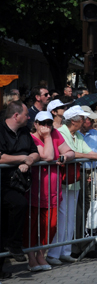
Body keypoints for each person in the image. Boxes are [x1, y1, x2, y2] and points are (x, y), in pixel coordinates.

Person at [47, 106, 97, 264]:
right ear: (74, 120)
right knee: (62, 217)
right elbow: (73, 153)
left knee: (70, 217)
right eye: (82, 118)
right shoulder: (61, 132)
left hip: (74, 180)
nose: (85, 121)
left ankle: (65, 251)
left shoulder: (77, 134)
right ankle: (53, 254)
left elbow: (87, 151)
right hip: (63, 181)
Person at [27, 111, 75, 271]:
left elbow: (70, 151)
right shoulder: (31, 138)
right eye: (42, 123)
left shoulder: (55, 134)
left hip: (53, 190)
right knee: (32, 226)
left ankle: (41, 254)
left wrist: (65, 157)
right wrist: (47, 137)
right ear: (35, 124)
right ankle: (32, 258)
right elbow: (47, 156)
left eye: (49, 123)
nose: (46, 126)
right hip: (35, 190)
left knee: (51, 226)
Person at [0, 101, 40, 265]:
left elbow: (35, 153)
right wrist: (21, 158)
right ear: (16, 116)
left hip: (17, 183)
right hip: (2, 183)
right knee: (18, 205)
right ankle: (13, 245)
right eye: (26, 114)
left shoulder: (24, 131)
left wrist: (29, 159)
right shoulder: (0, 131)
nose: (29, 117)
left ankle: (12, 247)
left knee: (15, 210)